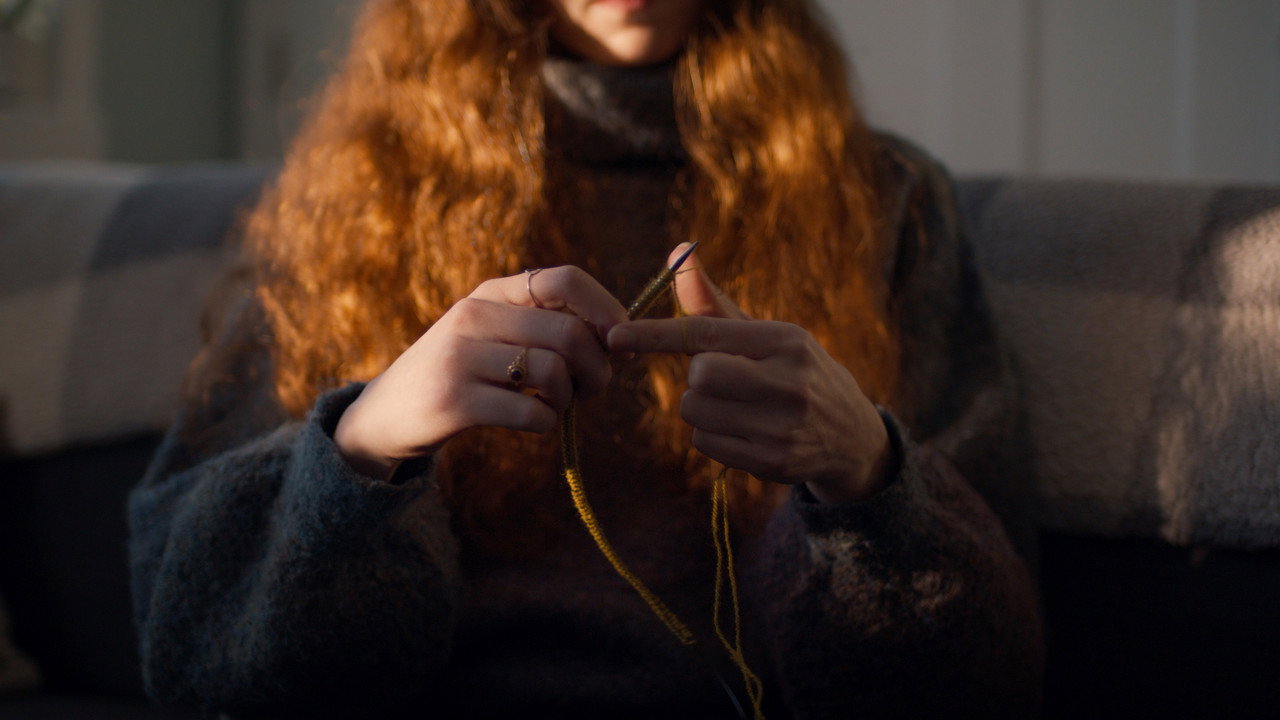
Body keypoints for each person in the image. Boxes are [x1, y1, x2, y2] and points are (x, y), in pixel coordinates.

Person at [128, 0, 1043, 717]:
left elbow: (991, 671)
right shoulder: (354, 194)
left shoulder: (882, 201)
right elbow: (184, 633)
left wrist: (870, 477)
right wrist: (365, 443)